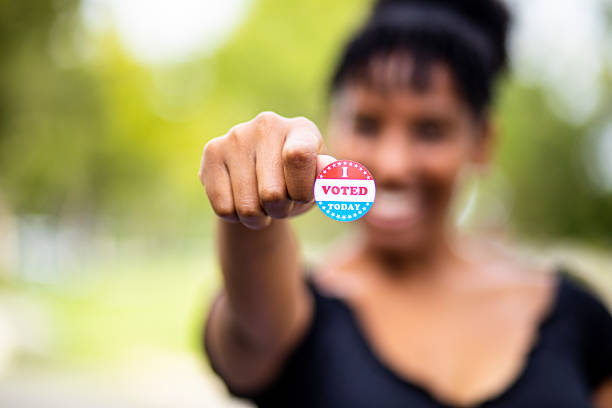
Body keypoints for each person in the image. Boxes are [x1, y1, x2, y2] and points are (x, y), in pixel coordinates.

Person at [198, 0, 612, 406]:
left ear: (482, 141)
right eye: (367, 123)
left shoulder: (575, 314)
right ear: (333, 125)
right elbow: (254, 328)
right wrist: (251, 211)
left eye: (430, 130)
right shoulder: (288, 310)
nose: (393, 166)